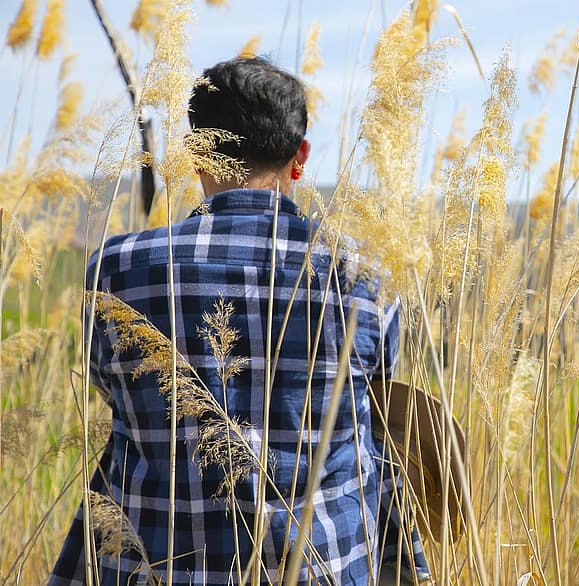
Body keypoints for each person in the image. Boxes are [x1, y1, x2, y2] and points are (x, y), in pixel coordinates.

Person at [50, 56, 429, 585]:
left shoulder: (117, 271)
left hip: (156, 570)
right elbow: (381, 404)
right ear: (300, 158)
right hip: (320, 569)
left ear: (196, 154)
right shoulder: (366, 277)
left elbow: (109, 392)